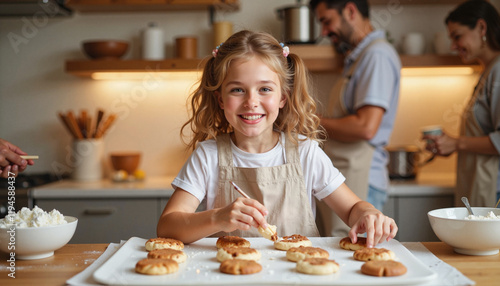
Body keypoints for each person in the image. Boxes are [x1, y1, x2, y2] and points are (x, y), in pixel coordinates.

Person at [157, 30, 397, 247]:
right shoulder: (208, 156)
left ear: (283, 97)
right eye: (237, 89)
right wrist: (217, 217)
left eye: (265, 89)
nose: (251, 101)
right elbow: (167, 227)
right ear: (220, 99)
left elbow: (353, 208)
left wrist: (368, 214)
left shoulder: (305, 152)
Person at [309, 0, 401, 237]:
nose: (324, 32)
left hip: (363, 179)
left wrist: (311, 120)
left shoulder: (377, 56)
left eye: (327, 21)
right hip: (349, 175)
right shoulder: (358, 58)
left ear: (350, 11)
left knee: (357, 253)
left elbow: (365, 127)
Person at [423, 0, 500, 207]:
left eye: (458, 36)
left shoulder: (498, 71)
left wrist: (456, 143)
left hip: (494, 190)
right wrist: (453, 145)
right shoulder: (488, 71)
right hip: (481, 185)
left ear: (481, 27)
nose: (453, 46)